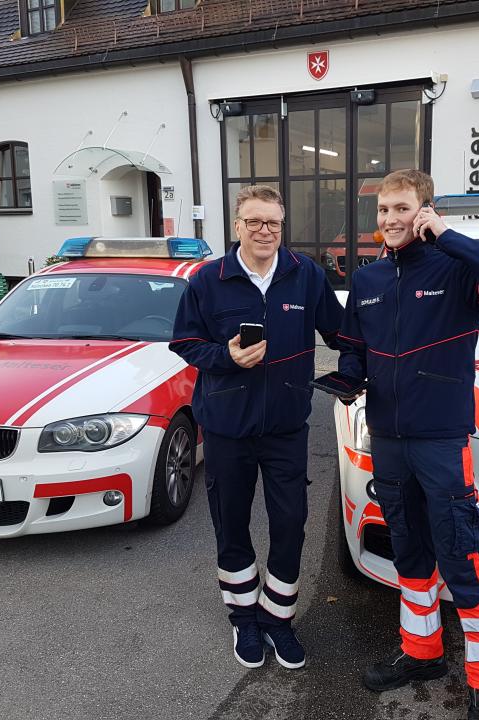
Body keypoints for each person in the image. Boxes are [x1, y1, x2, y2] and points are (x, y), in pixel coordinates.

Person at [337, 170, 479, 720]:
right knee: (409, 549)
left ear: (424, 211)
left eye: (401, 208)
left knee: (459, 552)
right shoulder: (370, 277)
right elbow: (355, 345)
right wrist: (348, 375)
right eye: (382, 211)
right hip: (388, 436)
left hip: (441, 438)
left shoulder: (455, 268)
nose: (389, 220)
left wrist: (448, 237)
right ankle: (421, 653)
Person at [170, 185, 343, 670]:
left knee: (290, 524)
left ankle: (277, 617)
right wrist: (224, 356)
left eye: (274, 223)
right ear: (237, 226)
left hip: (286, 426)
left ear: (282, 227)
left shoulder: (305, 275)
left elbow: (342, 331)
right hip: (227, 428)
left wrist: (359, 369)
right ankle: (243, 617)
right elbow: (184, 343)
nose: (265, 230)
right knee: (232, 524)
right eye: (255, 222)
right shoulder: (209, 280)